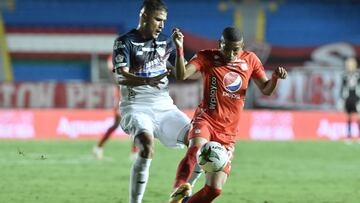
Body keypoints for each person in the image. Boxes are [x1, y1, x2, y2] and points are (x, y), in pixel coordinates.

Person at [168, 27, 287, 203]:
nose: (231, 54)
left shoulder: (251, 60)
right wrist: (179, 47)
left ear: (242, 47)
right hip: (206, 119)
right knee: (194, 150)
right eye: (226, 48)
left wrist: (275, 78)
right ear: (220, 44)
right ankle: (177, 190)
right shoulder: (206, 56)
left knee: (214, 190)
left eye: (235, 50)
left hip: (228, 133)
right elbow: (181, 74)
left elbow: (266, 89)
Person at [112, 1, 201, 202]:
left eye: (164, 21)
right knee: (146, 145)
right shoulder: (124, 42)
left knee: (199, 142)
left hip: (164, 106)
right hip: (136, 107)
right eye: (157, 19)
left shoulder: (165, 42)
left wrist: (180, 49)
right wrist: (147, 80)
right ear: (144, 17)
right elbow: (121, 76)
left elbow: (180, 73)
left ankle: (183, 193)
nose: (162, 25)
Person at [93, 55, 138, 160]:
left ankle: (134, 152)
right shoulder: (115, 57)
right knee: (122, 124)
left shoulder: (131, 56)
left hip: (130, 96)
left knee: (134, 123)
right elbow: (115, 77)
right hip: (122, 97)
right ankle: (134, 153)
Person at [340, 56, 360, 141]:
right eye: (348, 63)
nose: (350, 65)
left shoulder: (358, 74)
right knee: (348, 117)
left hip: (357, 98)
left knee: (358, 117)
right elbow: (342, 87)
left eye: (351, 63)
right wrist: (341, 99)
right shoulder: (344, 75)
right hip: (348, 98)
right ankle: (348, 136)